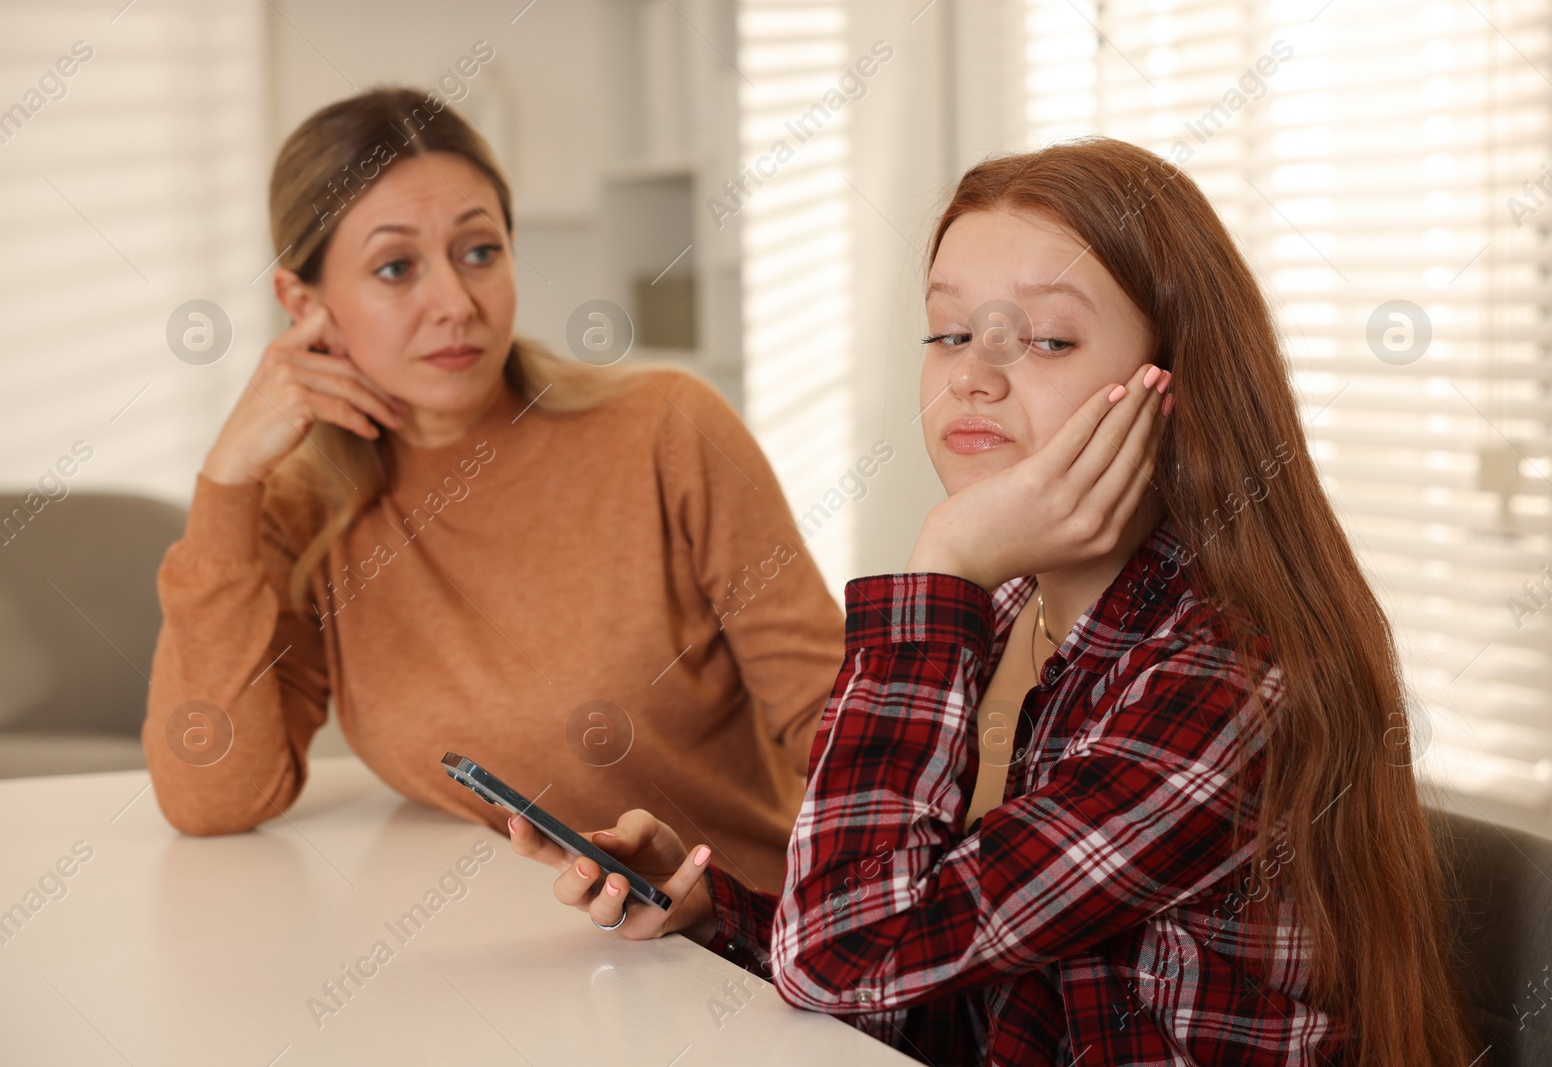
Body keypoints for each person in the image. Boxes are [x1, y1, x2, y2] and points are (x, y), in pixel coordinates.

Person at [508, 138, 1478, 1066]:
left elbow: (851, 955)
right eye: (949, 331)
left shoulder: (1228, 680)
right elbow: (942, 963)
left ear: (1176, 387)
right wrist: (720, 911)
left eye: (1047, 337)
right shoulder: (1013, 606)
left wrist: (941, 568)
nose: (972, 373)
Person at [140, 87, 844, 893]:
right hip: (522, 958)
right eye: (397, 267)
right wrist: (226, 484)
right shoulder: (302, 511)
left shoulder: (668, 430)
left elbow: (832, 721)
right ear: (305, 306)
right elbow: (214, 795)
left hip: (745, 948)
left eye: (480, 251)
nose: (457, 304)